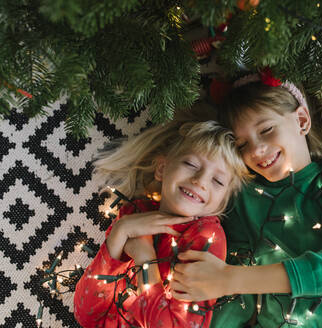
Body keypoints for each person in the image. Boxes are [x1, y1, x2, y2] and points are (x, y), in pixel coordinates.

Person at [168, 70, 322, 327]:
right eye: (242, 145)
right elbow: (235, 303)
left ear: (302, 120)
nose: (256, 150)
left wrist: (230, 279)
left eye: (267, 130)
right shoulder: (244, 197)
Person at [73, 103, 250, 328]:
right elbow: (86, 314)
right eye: (190, 164)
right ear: (162, 168)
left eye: (217, 181)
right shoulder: (134, 214)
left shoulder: (206, 237)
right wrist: (121, 231)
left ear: (222, 202)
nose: (201, 181)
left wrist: (145, 258)